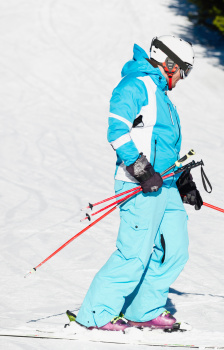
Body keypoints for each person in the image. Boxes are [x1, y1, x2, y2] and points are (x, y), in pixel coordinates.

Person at [75, 35, 203, 331]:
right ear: (168, 62)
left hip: (165, 186)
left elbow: (161, 144)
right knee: (134, 253)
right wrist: (142, 171)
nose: (182, 77)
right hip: (139, 185)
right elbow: (116, 131)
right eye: (183, 70)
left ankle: (143, 309)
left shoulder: (161, 95)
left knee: (175, 249)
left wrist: (181, 179)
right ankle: (95, 315)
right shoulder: (135, 85)